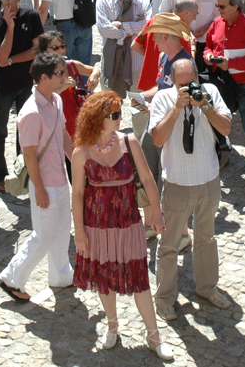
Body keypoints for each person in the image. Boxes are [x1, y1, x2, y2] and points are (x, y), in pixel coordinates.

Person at [70, 91, 172, 360]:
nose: (119, 118)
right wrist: (79, 230)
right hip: (97, 225)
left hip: (128, 222)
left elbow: (149, 179)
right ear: (97, 118)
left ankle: (154, 334)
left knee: (139, 279)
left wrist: (157, 213)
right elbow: (78, 194)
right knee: (105, 278)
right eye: (113, 115)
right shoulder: (81, 153)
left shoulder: (129, 142)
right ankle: (112, 325)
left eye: (118, 113)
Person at [149, 57, 233, 320]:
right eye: (182, 85)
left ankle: (207, 288)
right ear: (171, 81)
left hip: (208, 180)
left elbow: (227, 127)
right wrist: (176, 108)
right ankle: (164, 299)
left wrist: (205, 106)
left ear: (198, 77)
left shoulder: (211, 93)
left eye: (192, 82)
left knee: (206, 239)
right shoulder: (163, 99)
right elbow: (158, 139)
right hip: (177, 183)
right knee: (170, 244)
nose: (189, 89)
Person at [0, 52, 76, 301]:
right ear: (44, 78)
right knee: (43, 236)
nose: (66, 77)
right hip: (45, 183)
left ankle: (61, 275)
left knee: (63, 229)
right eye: (60, 73)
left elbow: (62, 134)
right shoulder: (30, 112)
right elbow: (29, 155)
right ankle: (11, 278)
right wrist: (39, 189)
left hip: (60, 179)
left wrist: (76, 160)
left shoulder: (56, 100)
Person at [0, 0, 44, 191]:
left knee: (25, 131)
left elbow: (38, 50)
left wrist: (11, 60)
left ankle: (24, 173)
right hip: (4, 85)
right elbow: (1, 58)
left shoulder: (31, 16)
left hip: (27, 82)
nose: (7, 1)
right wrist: (10, 27)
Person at [204, 0, 245, 177]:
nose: (218, 10)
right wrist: (208, 55)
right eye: (218, 5)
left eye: (222, 6)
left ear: (236, 6)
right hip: (223, 83)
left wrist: (231, 63)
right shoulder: (216, 24)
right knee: (219, 119)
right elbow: (207, 46)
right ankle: (222, 154)